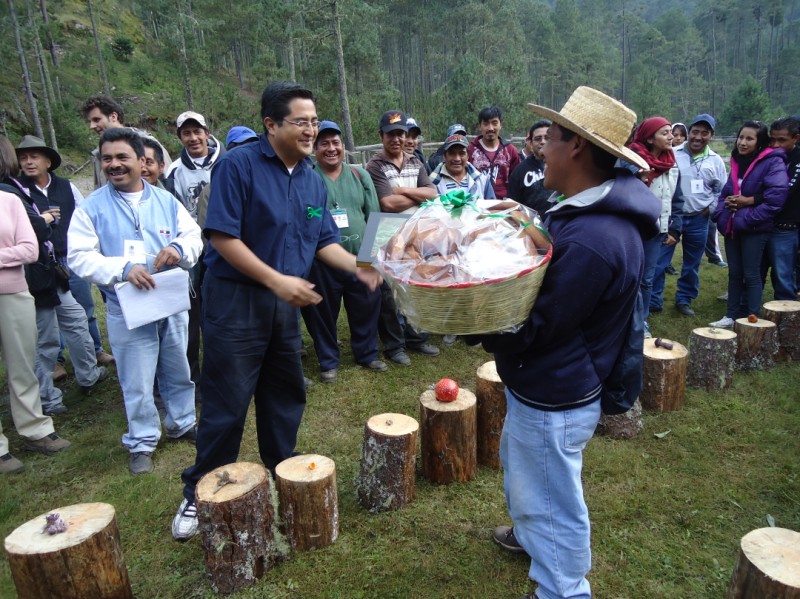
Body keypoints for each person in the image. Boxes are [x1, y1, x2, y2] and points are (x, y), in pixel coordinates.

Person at [174, 81, 382, 541]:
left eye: (314, 120)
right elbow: (223, 238)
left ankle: (279, 472)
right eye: (301, 121)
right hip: (236, 302)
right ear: (271, 124)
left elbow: (324, 240)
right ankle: (201, 491)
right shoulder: (238, 166)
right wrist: (276, 280)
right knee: (227, 403)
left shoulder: (311, 178)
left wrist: (365, 267)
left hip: (283, 306)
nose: (311, 129)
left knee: (284, 394)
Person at [478, 87, 659, 599]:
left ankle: (563, 586)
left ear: (576, 146)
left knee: (553, 498)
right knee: (526, 472)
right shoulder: (583, 213)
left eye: (552, 137)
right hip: (541, 381)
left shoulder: (594, 239)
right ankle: (533, 536)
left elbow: (537, 325)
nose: (543, 147)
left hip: (556, 390)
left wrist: (473, 319)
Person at [68, 127, 202, 475]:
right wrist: (122, 268)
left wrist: (178, 248)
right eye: (107, 158)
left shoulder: (164, 200)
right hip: (127, 308)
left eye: (121, 157)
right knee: (137, 379)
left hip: (170, 302)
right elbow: (79, 257)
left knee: (178, 368)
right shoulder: (91, 208)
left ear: (141, 161)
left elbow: (194, 237)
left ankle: (182, 423)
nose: (114, 164)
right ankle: (142, 441)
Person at [1, 138, 107, 415]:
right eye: (23, 157)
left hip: (59, 266)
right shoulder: (16, 190)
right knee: (45, 336)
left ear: (48, 161)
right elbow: (29, 230)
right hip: (33, 273)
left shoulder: (63, 187)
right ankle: (48, 397)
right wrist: (44, 220)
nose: (28, 162)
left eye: (35, 156)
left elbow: (83, 215)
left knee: (79, 316)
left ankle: (88, 373)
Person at [301, 120, 387, 383]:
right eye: (324, 143)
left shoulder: (360, 176)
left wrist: (373, 255)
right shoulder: (308, 179)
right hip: (323, 261)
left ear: (343, 147)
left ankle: (367, 353)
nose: (331, 148)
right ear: (315, 149)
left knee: (366, 306)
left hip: (360, 257)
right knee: (323, 313)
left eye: (335, 142)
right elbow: (308, 216)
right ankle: (328, 360)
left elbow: (374, 214)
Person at [0, 171, 71, 474]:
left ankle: (35, 428)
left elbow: (30, 249)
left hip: (12, 293)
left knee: (23, 365)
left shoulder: (9, 201)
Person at [366, 109, 440, 365]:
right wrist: (416, 195)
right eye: (390, 134)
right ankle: (394, 346)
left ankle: (417, 338)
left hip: (416, 233)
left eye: (400, 134)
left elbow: (434, 194)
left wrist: (403, 189)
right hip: (386, 232)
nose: (396, 139)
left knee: (416, 284)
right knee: (389, 292)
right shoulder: (375, 165)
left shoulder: (415, 162)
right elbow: (387, 203)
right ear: (381, 136)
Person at [710, 121, 789, 327]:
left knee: (751, 274)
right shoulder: (737, 160)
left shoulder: (773, 162)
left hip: (755, 229)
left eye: (749, 139)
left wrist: (747, 218)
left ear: (759, 142)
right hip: (732, 227)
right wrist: (721, 214)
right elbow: (726, 192)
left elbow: (776, 199)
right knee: (734, 273)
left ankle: (752, 319)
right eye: (741, 137)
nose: (742, 142)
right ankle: (731, 315)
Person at [651, 114, 727, 317]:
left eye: (705, 133)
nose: (698, 137)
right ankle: (654, 300)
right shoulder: (672, 154)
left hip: (698, 219)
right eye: (695, 132)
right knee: (660, 261)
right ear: (689, 133)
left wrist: (709, 209)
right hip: (671, 219)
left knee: (692, 263)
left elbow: (721, 191)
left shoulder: (716, 161)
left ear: (711, 135)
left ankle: (684, 299)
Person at [626, 117, 684, 333]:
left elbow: (677, 198)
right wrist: (636, 177)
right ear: (650, 138)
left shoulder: (672, 163)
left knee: (647, 280)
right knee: (628, 276)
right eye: (665, 133)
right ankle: (621, 318)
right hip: (632, 230)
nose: (671, 136)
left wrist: (674, 228)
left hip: (656, 232)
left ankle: (641, 322)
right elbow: (619, 191)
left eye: (671, 131)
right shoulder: (631, 160)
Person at [80, 95, 172, 190]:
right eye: (90, 121)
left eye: (96, 120)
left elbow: (168, 178)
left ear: (113, 116)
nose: (92, 126)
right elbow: (99, 188)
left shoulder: (147, 143)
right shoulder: (99, 154)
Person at [762, 117, 800, 300]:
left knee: (783, 276)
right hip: (761, 223)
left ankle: (787, 321)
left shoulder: (798, 160)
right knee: (754, 271)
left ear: (796, 138)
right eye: (773, 139)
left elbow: (784, 192)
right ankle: (746, 312)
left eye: (782, 140)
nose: (775, 144)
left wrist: (751, 200)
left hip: (785, 228)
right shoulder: (767, 156)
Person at [467, 105, 521, 199]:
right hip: (478, 203)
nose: (490, 128)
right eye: (486, 124)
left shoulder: (510, 150)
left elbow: (517, 181)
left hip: (504, 205)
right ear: (480, 126)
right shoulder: (470, 150)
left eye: (494, 123)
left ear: (501, 125)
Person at [507, 120, 553, 215]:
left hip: (561, 223)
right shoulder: (519, 172)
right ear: (530, 143)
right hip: (532, 226)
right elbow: (513, 206)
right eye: (538, 139)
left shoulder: (563, 166)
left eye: (547, 138)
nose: (543, 142)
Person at [430, 134, 495, 199]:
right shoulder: (432, 183)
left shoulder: (482, 181)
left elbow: (493, 207)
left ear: (468, 156)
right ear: (444, 156)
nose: (457, 159)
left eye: (462, 153)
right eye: (452, 153)